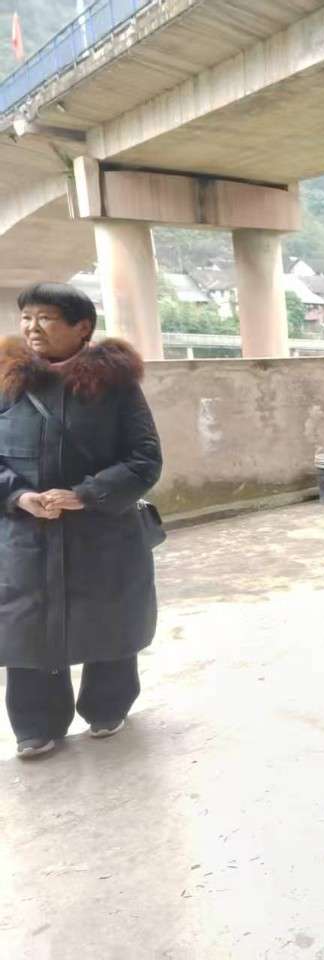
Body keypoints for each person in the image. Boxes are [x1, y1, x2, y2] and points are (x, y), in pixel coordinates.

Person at [1, 283, 163, 759]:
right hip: (26, 533)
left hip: (102, 530)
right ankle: (36, 724)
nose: (32, 327)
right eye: (27, 317)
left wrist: (85, 495)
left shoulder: (116, 384)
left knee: (108, 618)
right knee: (27, 626)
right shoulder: (7, 381)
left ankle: (107, 707)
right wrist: (19, 496)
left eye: (46, 318)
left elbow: (145, 459)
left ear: (82, 328)